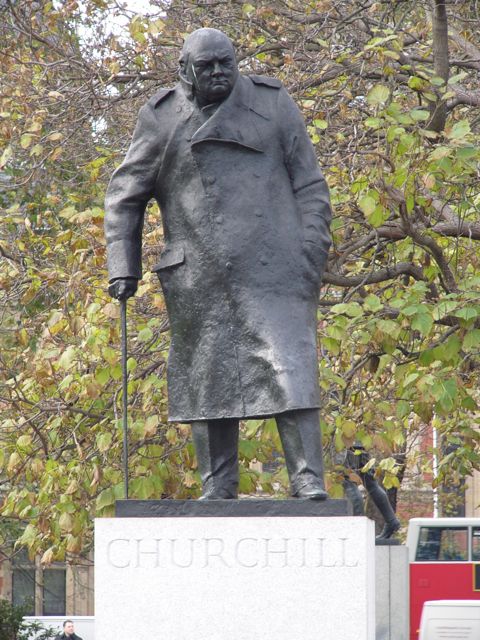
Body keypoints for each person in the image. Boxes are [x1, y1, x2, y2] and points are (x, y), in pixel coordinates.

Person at [105, 28, 332, 500]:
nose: (218, 73)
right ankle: (217, 485)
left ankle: (308, 480)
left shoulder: (271, 103)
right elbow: (125, 196)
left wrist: (311, 248)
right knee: (208, 377)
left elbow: (310, 184)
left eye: (225, 62)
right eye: (206, 66)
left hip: (277, 268)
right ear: (184, 70)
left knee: (289, 367)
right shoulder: (163, 118)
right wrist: (122, 266)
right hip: (199, 273)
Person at [343, 444, 401, 539]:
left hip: (347, 442)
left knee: (348, 482)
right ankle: (391, 520)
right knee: (371, 484)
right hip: (362, 443)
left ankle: (358, 526)